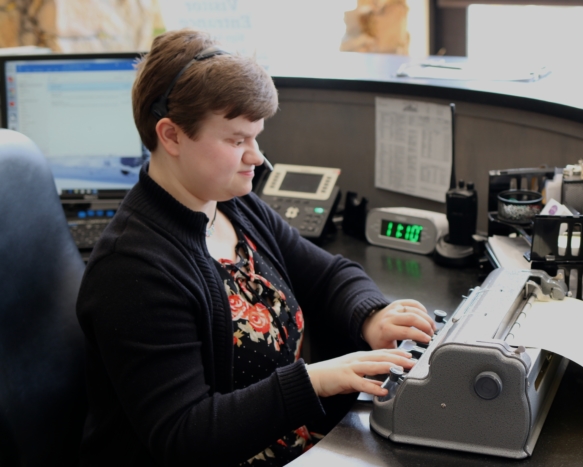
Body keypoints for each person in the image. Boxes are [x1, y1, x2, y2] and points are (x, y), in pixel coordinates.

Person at [76, 29, 436, 467]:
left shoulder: (233, 205)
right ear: (170, 136)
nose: (257, 157)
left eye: (257, 136)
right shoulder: (132, 269)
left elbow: (328, 276)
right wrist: (314, 382)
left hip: (287, 443)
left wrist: (372, 314)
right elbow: (184, 435)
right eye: (236, 140)